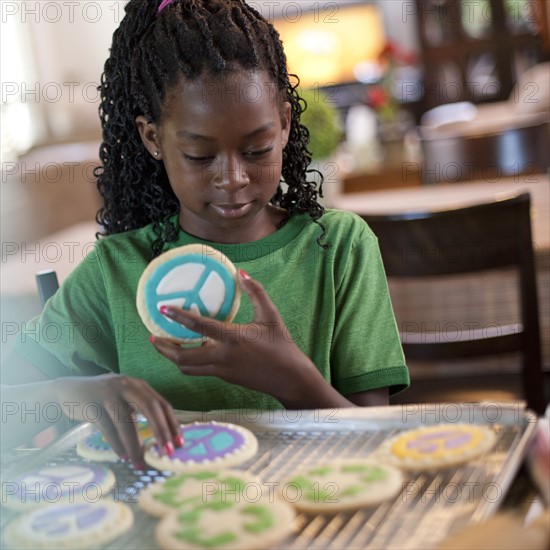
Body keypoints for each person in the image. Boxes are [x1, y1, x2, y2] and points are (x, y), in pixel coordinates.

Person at [1, 0, 409, 467]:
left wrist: (292, 380)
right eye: (199, 156)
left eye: (257, 150)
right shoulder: (115, 270)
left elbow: (376, 441)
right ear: (153, 139)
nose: (232, 177)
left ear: (284, 125)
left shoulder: (337, 246)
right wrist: (63, 392)